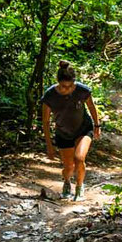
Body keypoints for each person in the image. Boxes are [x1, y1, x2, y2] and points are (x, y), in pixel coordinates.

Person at [41, 60, 101, 200]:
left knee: (79, 158)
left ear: (74, 82)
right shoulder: (50, 95)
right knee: (69, 167)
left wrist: (97, 126)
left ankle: (79, 187)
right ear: (58, 82)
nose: (67, 89)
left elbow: (91, 107)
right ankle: (67, 182)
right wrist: (49, 146)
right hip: (63, 133)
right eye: (63, 86)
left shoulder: (82, 90)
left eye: (70, 86)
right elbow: (45, 121)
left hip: (83, 129)